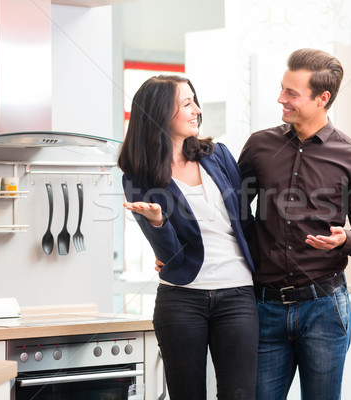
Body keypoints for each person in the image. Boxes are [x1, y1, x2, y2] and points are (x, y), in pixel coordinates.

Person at [238, 48, 351, 400]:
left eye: (291, 93)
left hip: (324, 308)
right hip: (264, 306)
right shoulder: (259, 146)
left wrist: (344, 239)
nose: (280, 99)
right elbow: (233, 213)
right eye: (282, 89)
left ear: (322, 98)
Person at [118, 75, 259, 400]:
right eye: (186, 103)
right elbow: (171, 256)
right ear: (159, 113)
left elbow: (245, 223)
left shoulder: (218, 155)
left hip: (237, 295)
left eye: (194, 101)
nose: (196, 110)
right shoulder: (139, 176)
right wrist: (158, 222)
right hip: (182, 300)